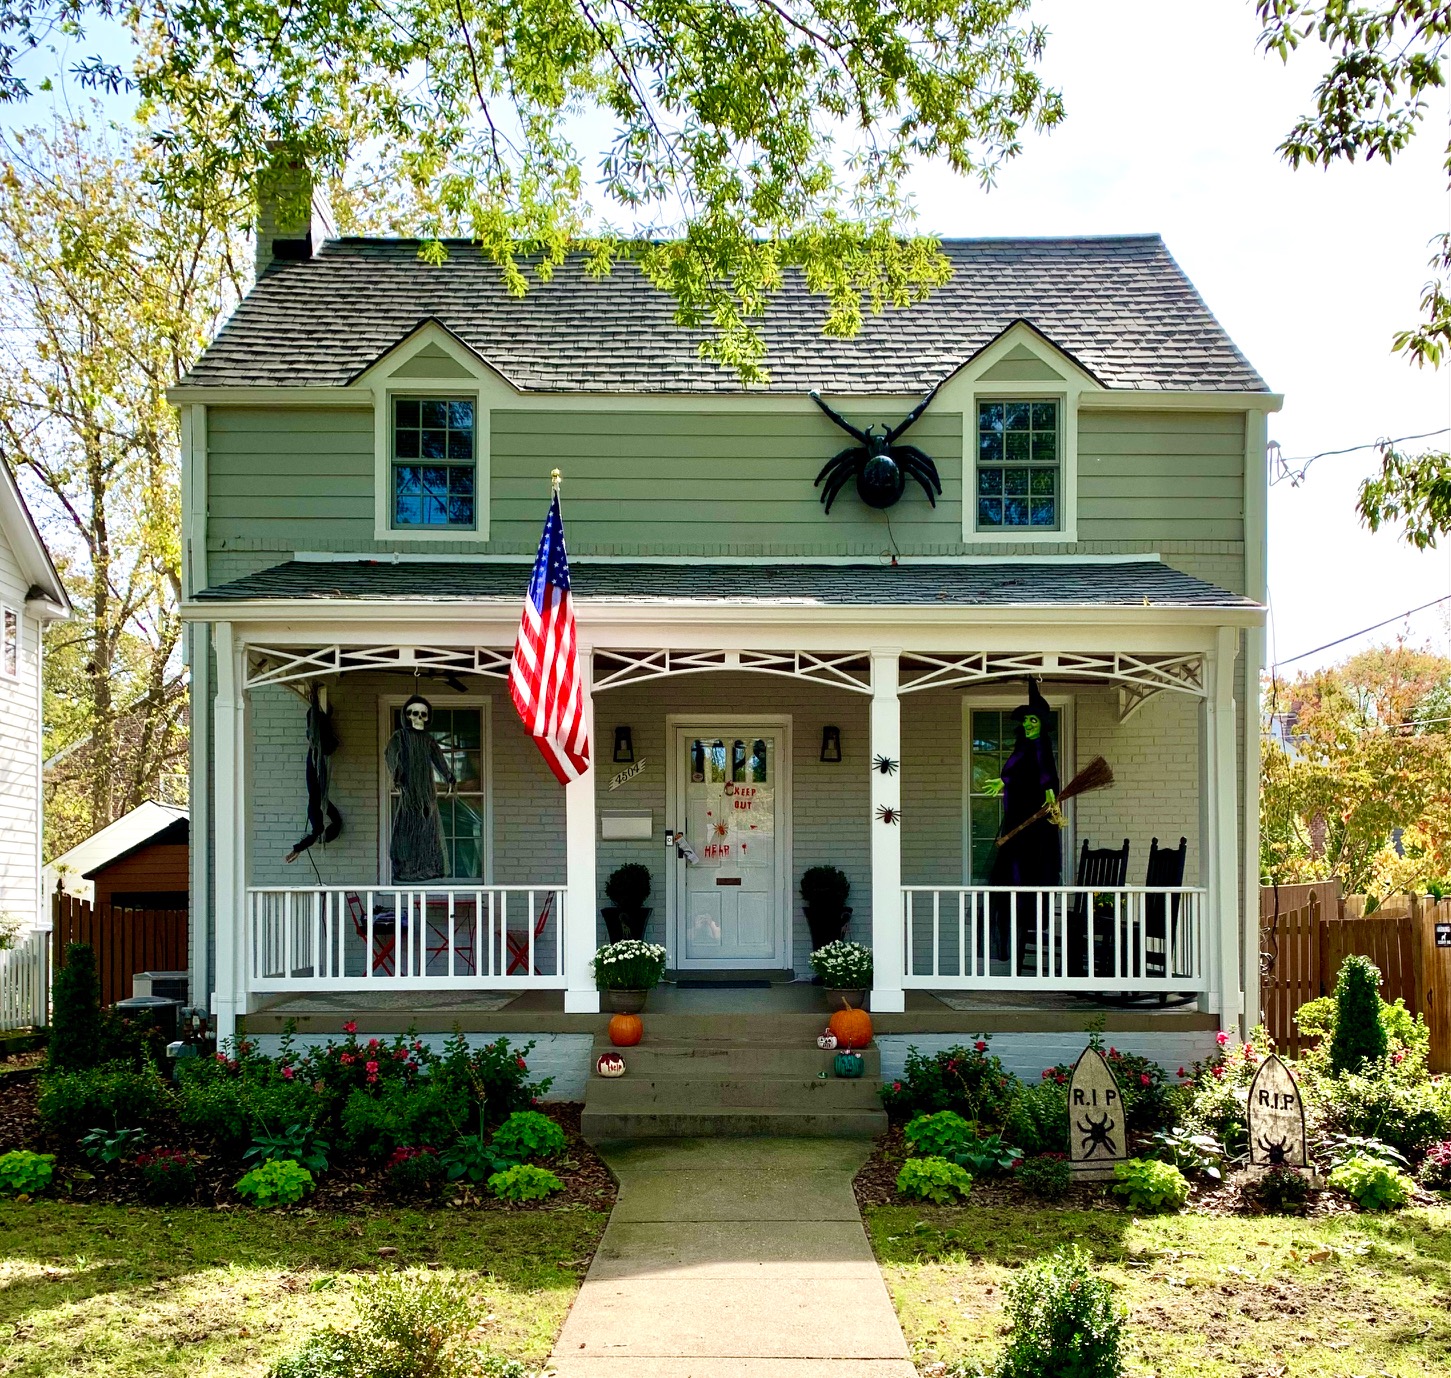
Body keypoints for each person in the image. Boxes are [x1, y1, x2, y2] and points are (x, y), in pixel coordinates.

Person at [985, 679, 1062, 966]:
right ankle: (1018, 922)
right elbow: (1020, 774)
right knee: (1012, 873)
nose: (1029, 724)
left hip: (1032, 822)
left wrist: (1050, 793)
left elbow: (1045, 772)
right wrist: (1003, 780)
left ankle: (1026, 918)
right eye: (1027, 720)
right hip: (1018, 817)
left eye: (1034, 720)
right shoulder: (1023, 746)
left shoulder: (1040, 745)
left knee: (1026, 870)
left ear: (1042, 724)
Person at [384, 693, 455, 882]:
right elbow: (391, 753)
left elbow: (438, 757)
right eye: (415, 714)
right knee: (407, 829)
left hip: (426, 792)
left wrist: (448, 776)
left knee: (428, 831)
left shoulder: (428, 739)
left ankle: (428, 868)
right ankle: (406, 870)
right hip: (410, 791)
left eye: (423, 714)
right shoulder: (400, 736)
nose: (419, 718)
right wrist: (398, 773)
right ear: (407, 716)